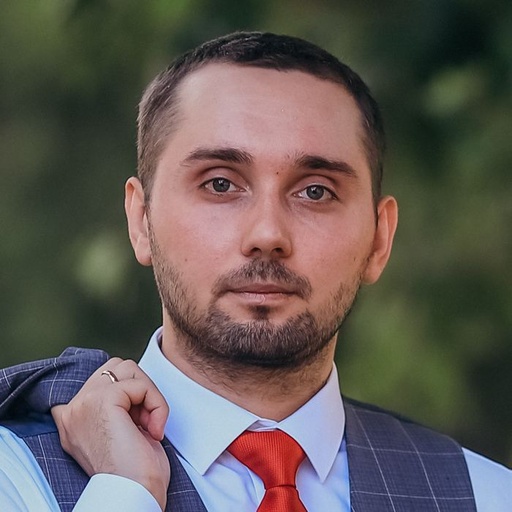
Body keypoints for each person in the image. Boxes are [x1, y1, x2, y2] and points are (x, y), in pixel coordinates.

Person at [0, 31, 510, 512]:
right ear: (141, 221)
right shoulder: (17, 479)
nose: (268, 233)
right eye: (220, 184)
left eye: (316, 191)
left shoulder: (487, 496)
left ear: (380, 239)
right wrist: (125, 494)